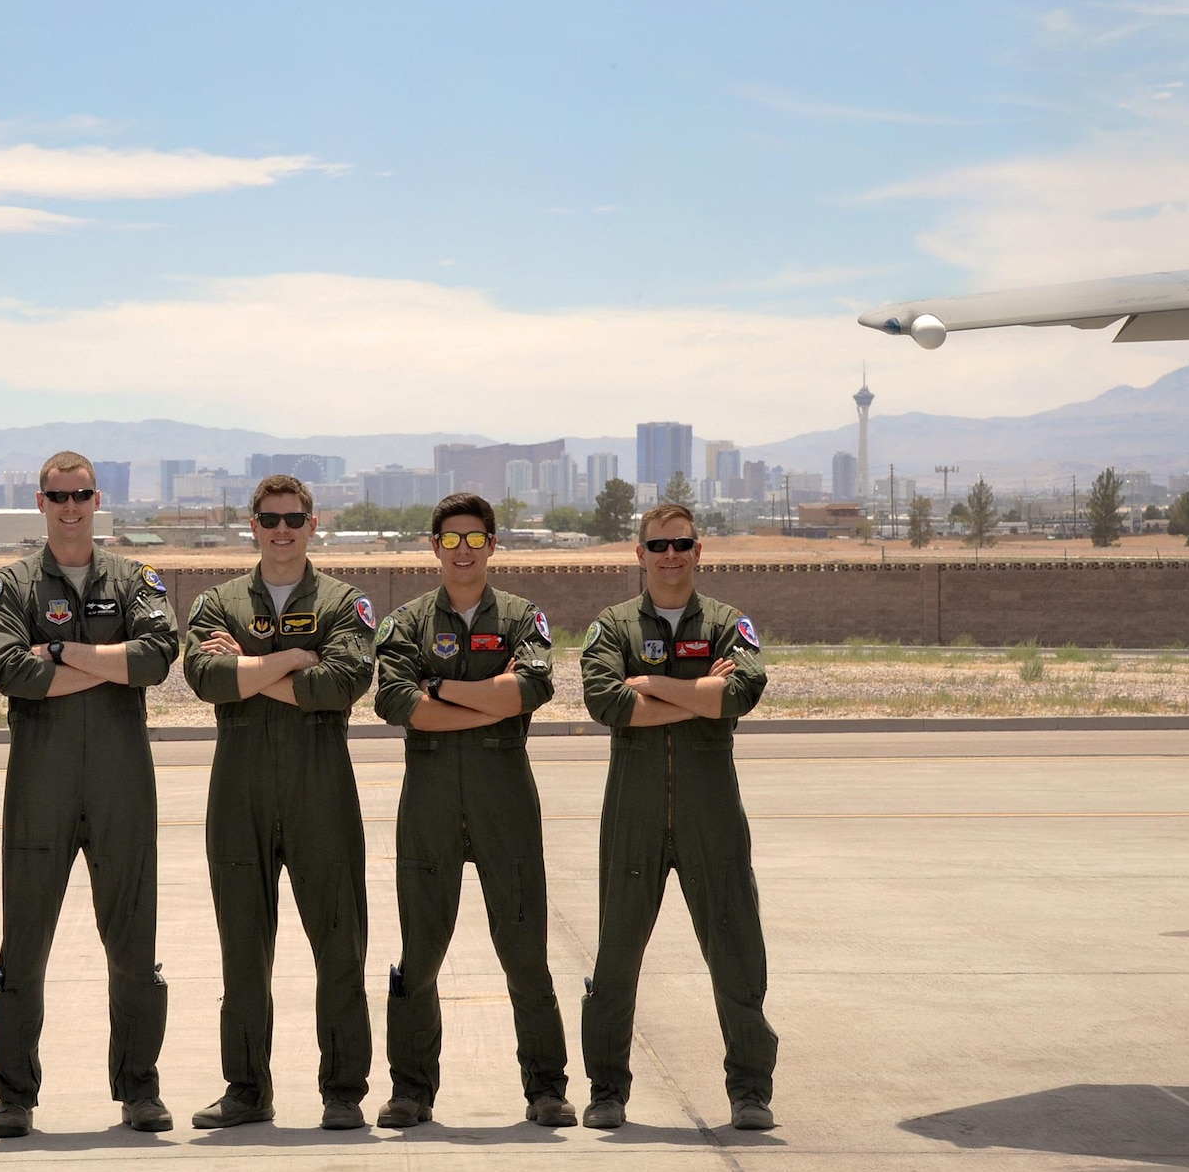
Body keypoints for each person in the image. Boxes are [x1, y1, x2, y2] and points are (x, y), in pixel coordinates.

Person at [0, 451, 180, 1138]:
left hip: (122, 778)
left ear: (98, 501)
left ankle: (140, 1088)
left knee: (133, 943)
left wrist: (62, 654)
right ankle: (14, 1096)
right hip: (41, 780)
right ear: (39, 502)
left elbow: (155, 657)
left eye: (82, 495)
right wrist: (109, 662)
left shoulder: (135, 578)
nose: (70, 507)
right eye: (58, 496)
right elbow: (9, 671)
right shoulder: (10, 586)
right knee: (24, 942)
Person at [371, 492, 574, 1128]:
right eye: (451, 539)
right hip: (429, 801)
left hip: (505, 800)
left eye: (475, 539)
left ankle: (546, 1087)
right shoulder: (406, 622)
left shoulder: (521, 617)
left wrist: (443, 690)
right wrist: (488, 697)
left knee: (524, 950)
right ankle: (410, 1089)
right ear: (434, 547)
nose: (463, 550)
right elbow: (397, 701)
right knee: (421, 950)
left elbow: (532, 688)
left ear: (492, 544)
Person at [181, 474, 377, 1131]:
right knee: (242, 949)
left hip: (321, 786)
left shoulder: (345, 601)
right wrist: (296, 657)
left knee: (340, 943)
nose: (282, 529)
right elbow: (207, 678)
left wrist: (253, 672)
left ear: (313, 523)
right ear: (253, 525)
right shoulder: (218, 603)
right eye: (270, 519)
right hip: (238, 790)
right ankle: (245, 1091)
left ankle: (344, 1090)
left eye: (294, 518)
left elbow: (344, 682)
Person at [578, 502, 777, 1132]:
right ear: (638, 554)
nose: (670, 556)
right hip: (633, 810)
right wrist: (696, 695)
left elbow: (741, 692)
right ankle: (607, 1090)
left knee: (736, 950)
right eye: (658, 546)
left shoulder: (727, 623)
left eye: (681, 545)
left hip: (710, 810)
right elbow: (606, 703)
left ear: (698, 551)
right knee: (616, 958)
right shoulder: (611, 625)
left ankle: (750, 1092)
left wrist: (651, 684)